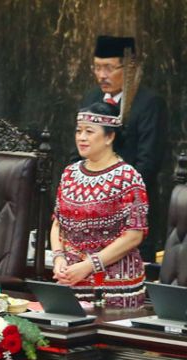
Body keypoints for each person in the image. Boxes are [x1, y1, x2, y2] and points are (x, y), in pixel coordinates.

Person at [51, 102, 148, 308]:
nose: (81, 137)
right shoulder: (70, 173)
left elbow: (134, 234)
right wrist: (58, 258)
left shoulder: (127, 177)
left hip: (114, 286)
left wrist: (89, 265)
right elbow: (58, 223)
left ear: (109, 137)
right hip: (71, 279)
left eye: (89, 131)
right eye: (78, 131)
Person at [79, 35, 167, 261]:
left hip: (129, 212)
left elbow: (148, 162)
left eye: (109, 68)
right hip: (90, 213)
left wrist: (113, 195)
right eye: (97, 67)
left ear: (129, 68)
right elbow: (79, 149)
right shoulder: (92, 98)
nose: (101, 75)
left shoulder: (149, 103)